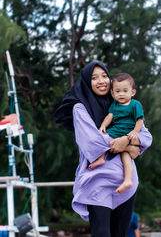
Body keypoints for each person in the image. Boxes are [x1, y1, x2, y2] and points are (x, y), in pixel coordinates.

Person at [54, 61, 152, 237]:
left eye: (105, 76)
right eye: (94, 77)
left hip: (125, 180)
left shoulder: (121, 103)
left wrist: (126, 143)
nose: (101, 81)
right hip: (97, 180)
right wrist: (127, 145)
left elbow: (145, 137)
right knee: (101, 234)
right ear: (86, 82)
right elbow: (92, 143)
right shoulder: (80, 107)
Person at [88, 73, 144, 194]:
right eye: (118, 91)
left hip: (128, 133)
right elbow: (110, 116)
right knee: (102, 138)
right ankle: (101, 158)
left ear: (132, 92)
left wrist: (135, 131)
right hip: (115, 131)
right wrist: (103, 126)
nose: (121, 94)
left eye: (125, 91)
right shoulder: (115, 105)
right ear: (112, 93)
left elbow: (140, 120)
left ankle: (128, 180)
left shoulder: (135, 104)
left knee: (126, 158)